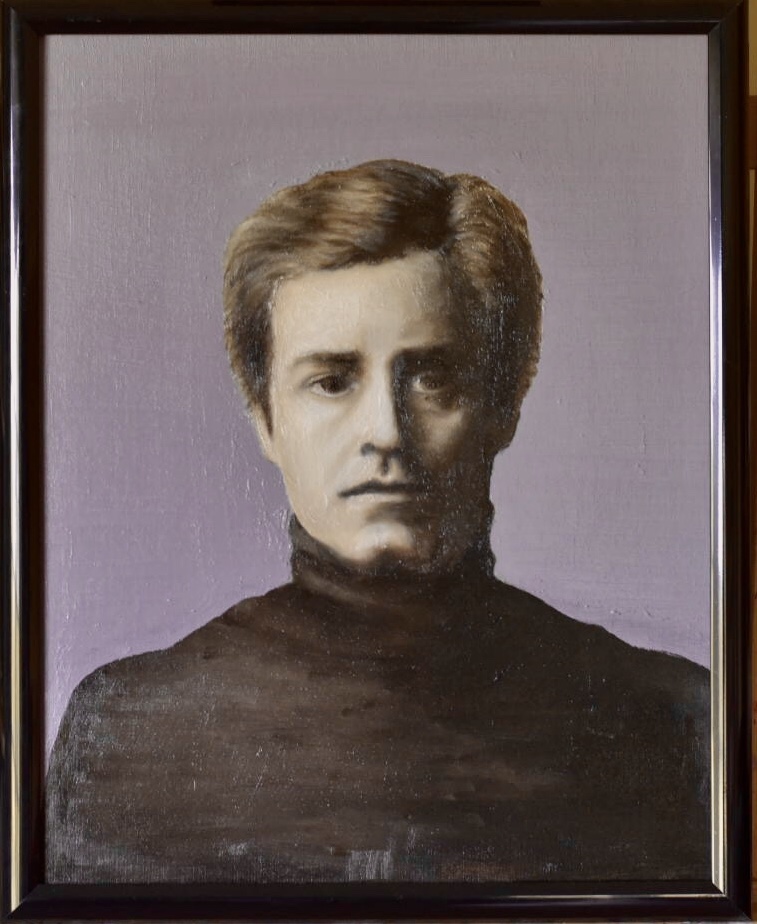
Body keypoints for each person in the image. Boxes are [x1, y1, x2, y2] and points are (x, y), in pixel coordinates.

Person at [46, 159, 710, 884]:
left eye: (432, 378)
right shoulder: (125, 734)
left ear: (504, 405)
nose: (385, 433)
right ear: (265, 419)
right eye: (331, 381)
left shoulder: (670, 724)